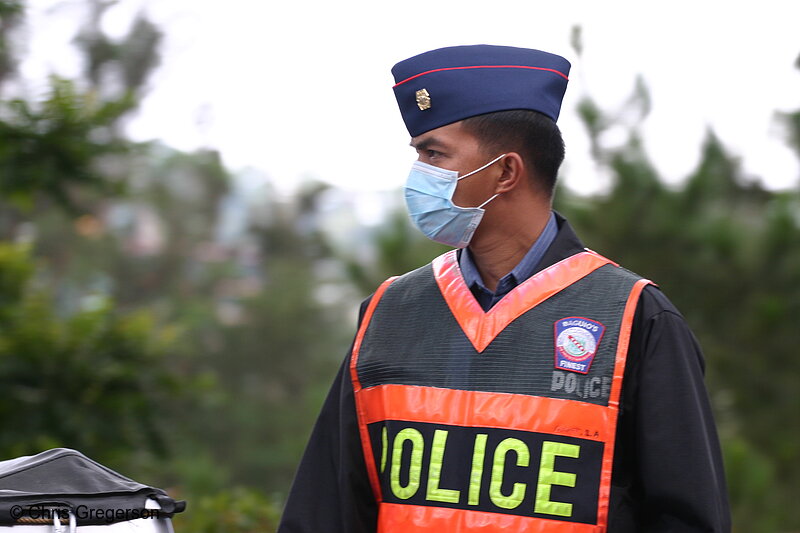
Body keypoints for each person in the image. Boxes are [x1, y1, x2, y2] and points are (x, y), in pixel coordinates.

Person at [277, 45, 730, 532]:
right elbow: (325, 508)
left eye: (434, 154)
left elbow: (688, 518)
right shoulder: (389, 313)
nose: (419, 175)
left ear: (506, 172)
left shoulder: (634, 319)